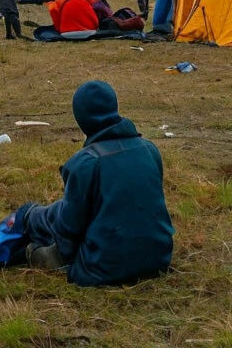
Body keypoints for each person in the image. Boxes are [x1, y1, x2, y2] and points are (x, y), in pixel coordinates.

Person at [18, 81, 173, 286]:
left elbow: (68, 229)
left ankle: (30, 241)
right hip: (159, 259)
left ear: (81, 118)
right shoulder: (150, 150)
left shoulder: (84, 163)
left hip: (100, 269)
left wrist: (36, 219)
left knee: (38, 236)